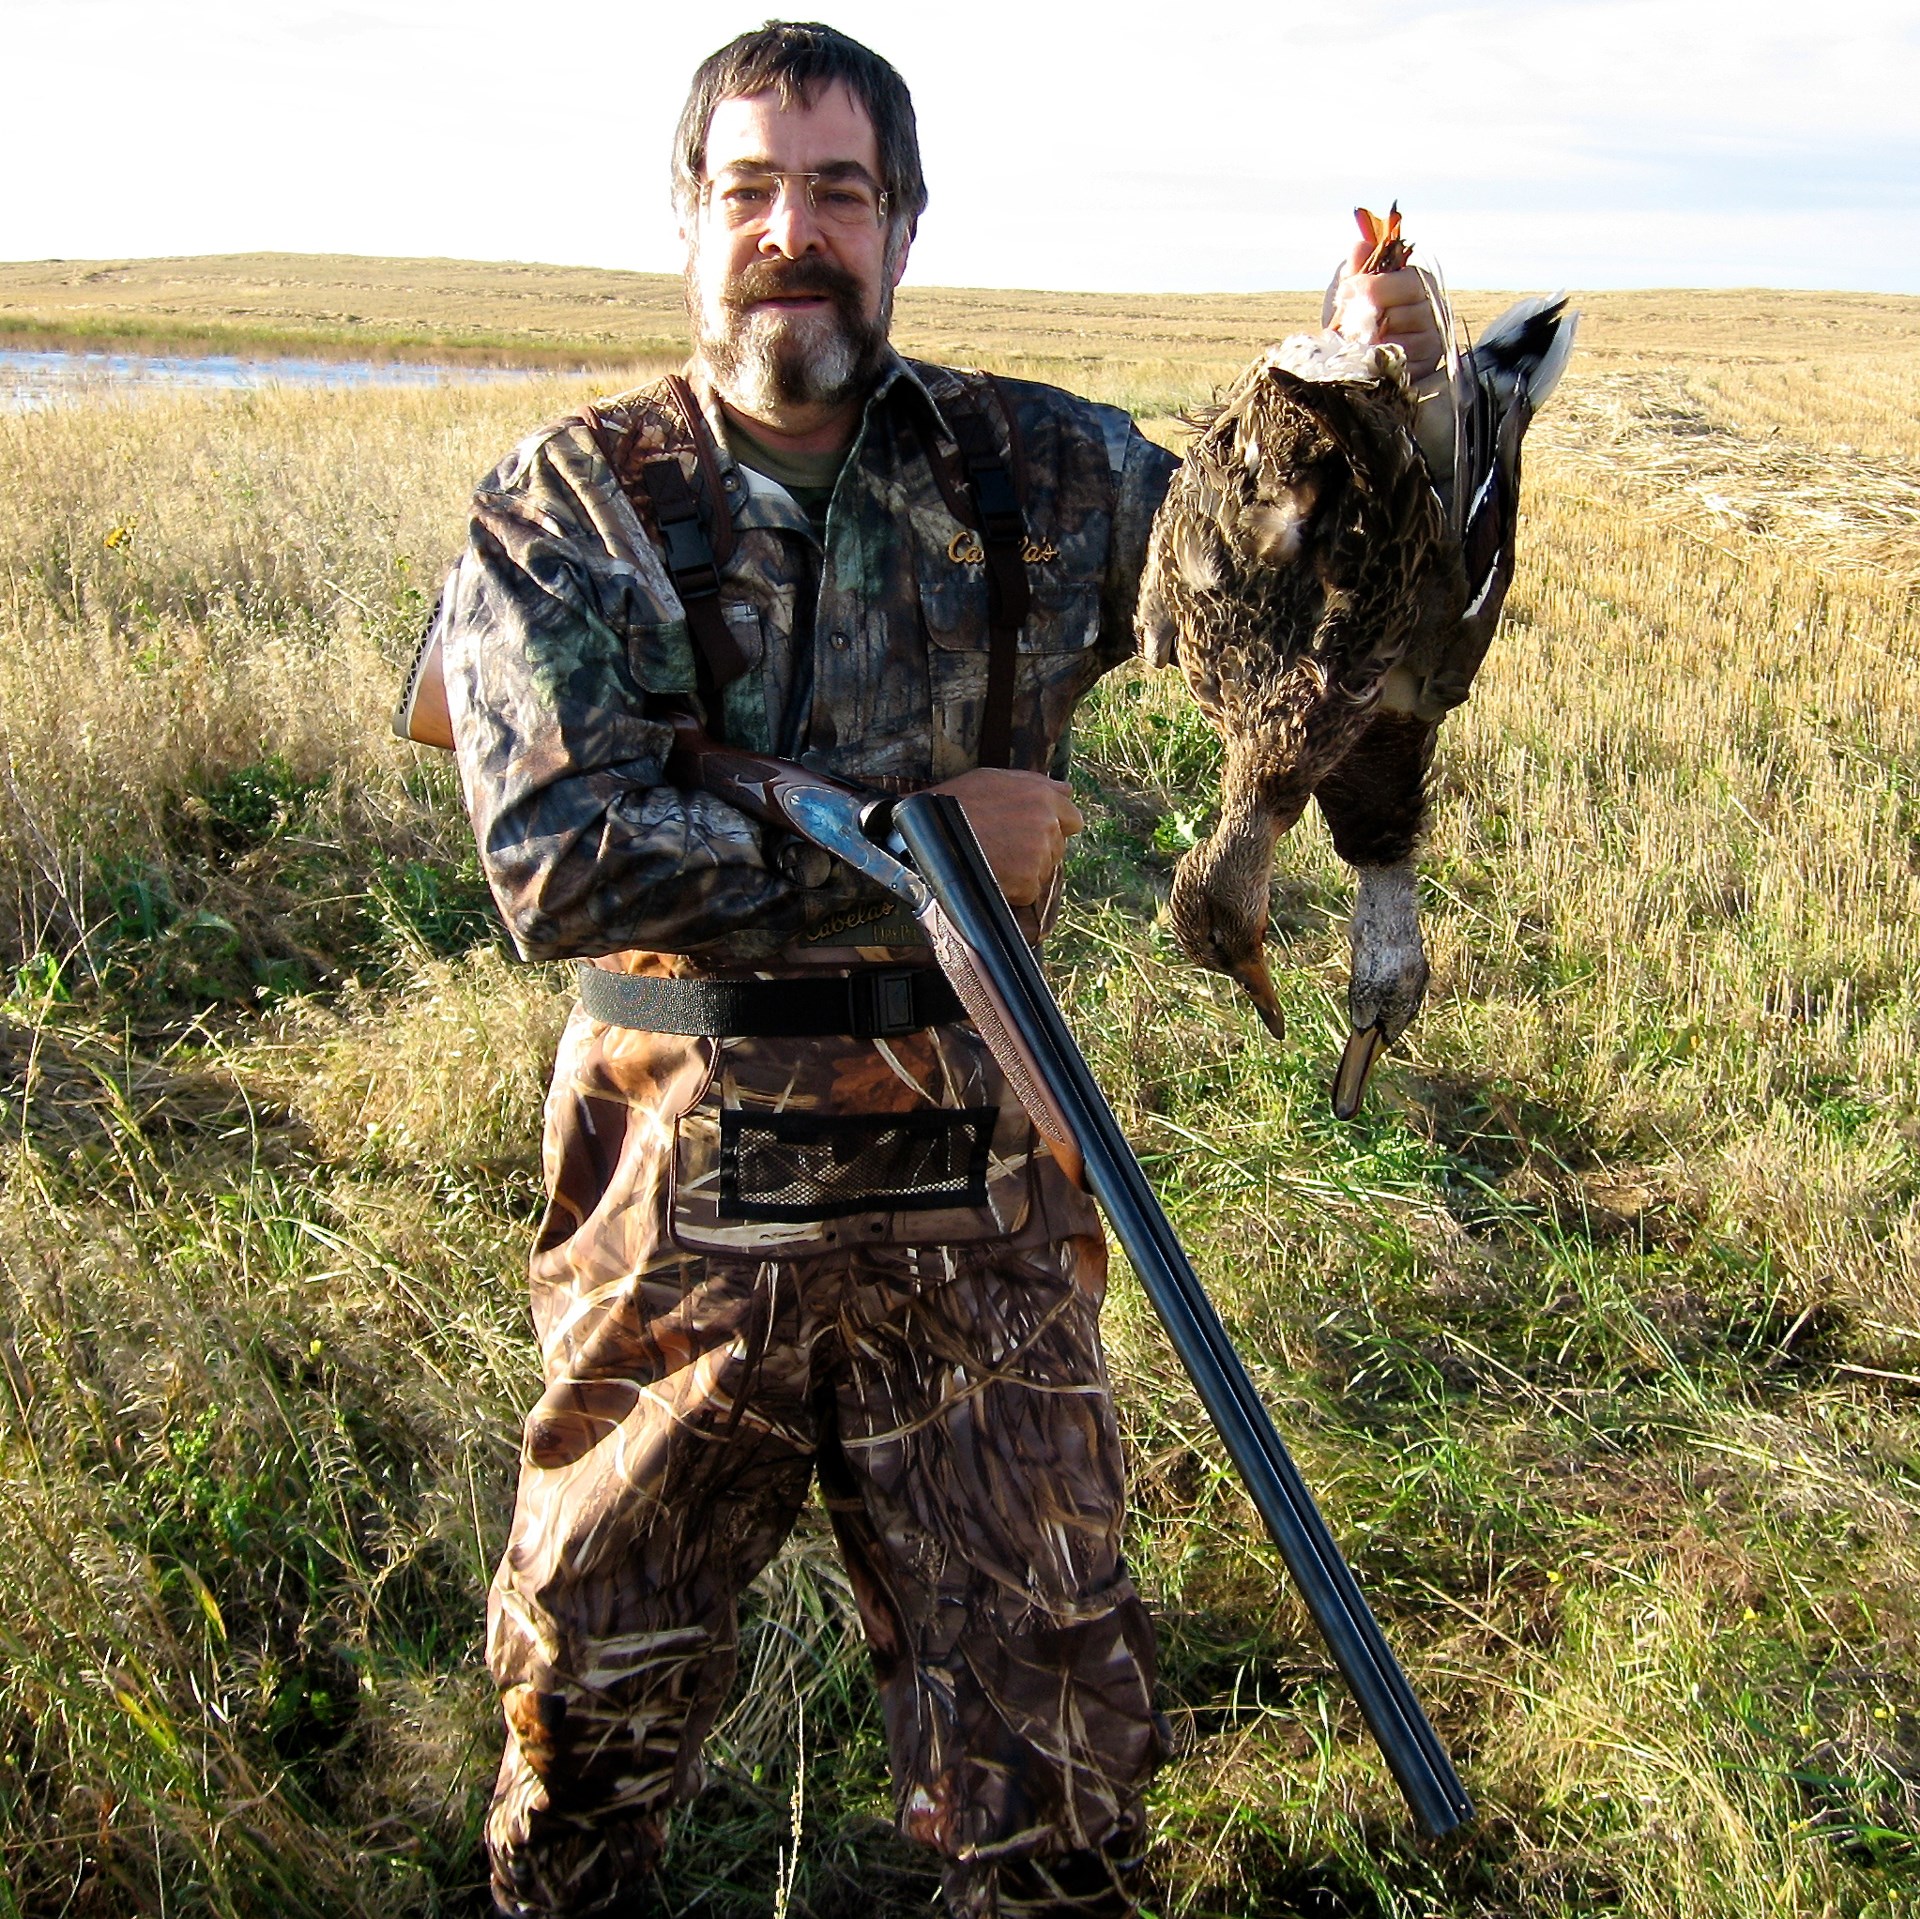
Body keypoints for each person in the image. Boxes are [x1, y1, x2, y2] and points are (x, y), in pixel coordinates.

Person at [432, 22, 1442, 1918]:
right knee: (589, 1712)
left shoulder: (1042, 469)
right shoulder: (573, 500)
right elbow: (554, 861)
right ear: (689, 216)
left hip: (982, 1195)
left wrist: (1368, 380)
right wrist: (919, 835)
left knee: (1054, 1744)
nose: (790, 232)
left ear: (903, 221)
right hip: (674, 1198)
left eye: (836, 190)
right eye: (750, 189)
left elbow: (1276, 556)